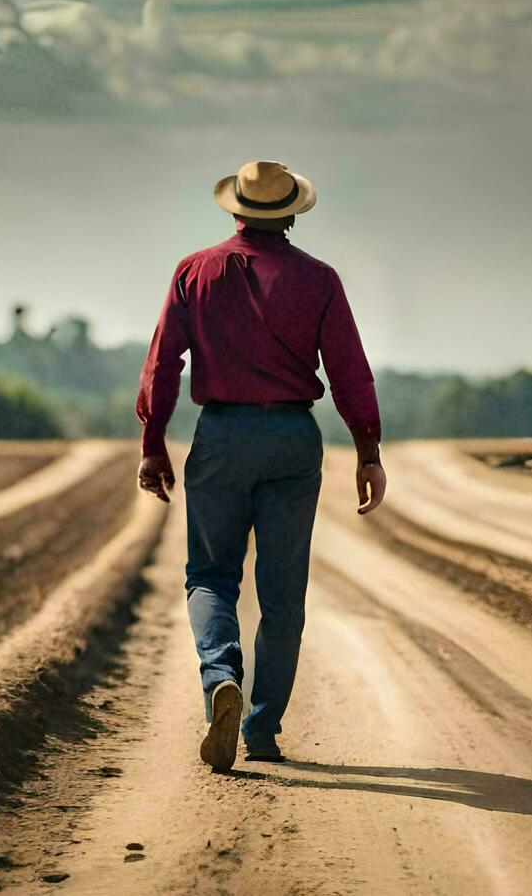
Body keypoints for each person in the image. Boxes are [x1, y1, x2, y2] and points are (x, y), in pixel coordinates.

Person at [135, 159, 386, 771]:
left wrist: (153, 443)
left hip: (221, 433)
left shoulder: (195, 271)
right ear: (293, 212)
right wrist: (368, 450)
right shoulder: (320, 281)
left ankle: (221, 677)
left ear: (235, 208)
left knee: (210, 576)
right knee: (282, 591)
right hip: (293, 439)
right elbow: (350, 371)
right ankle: (263, 727)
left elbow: (164, 364)